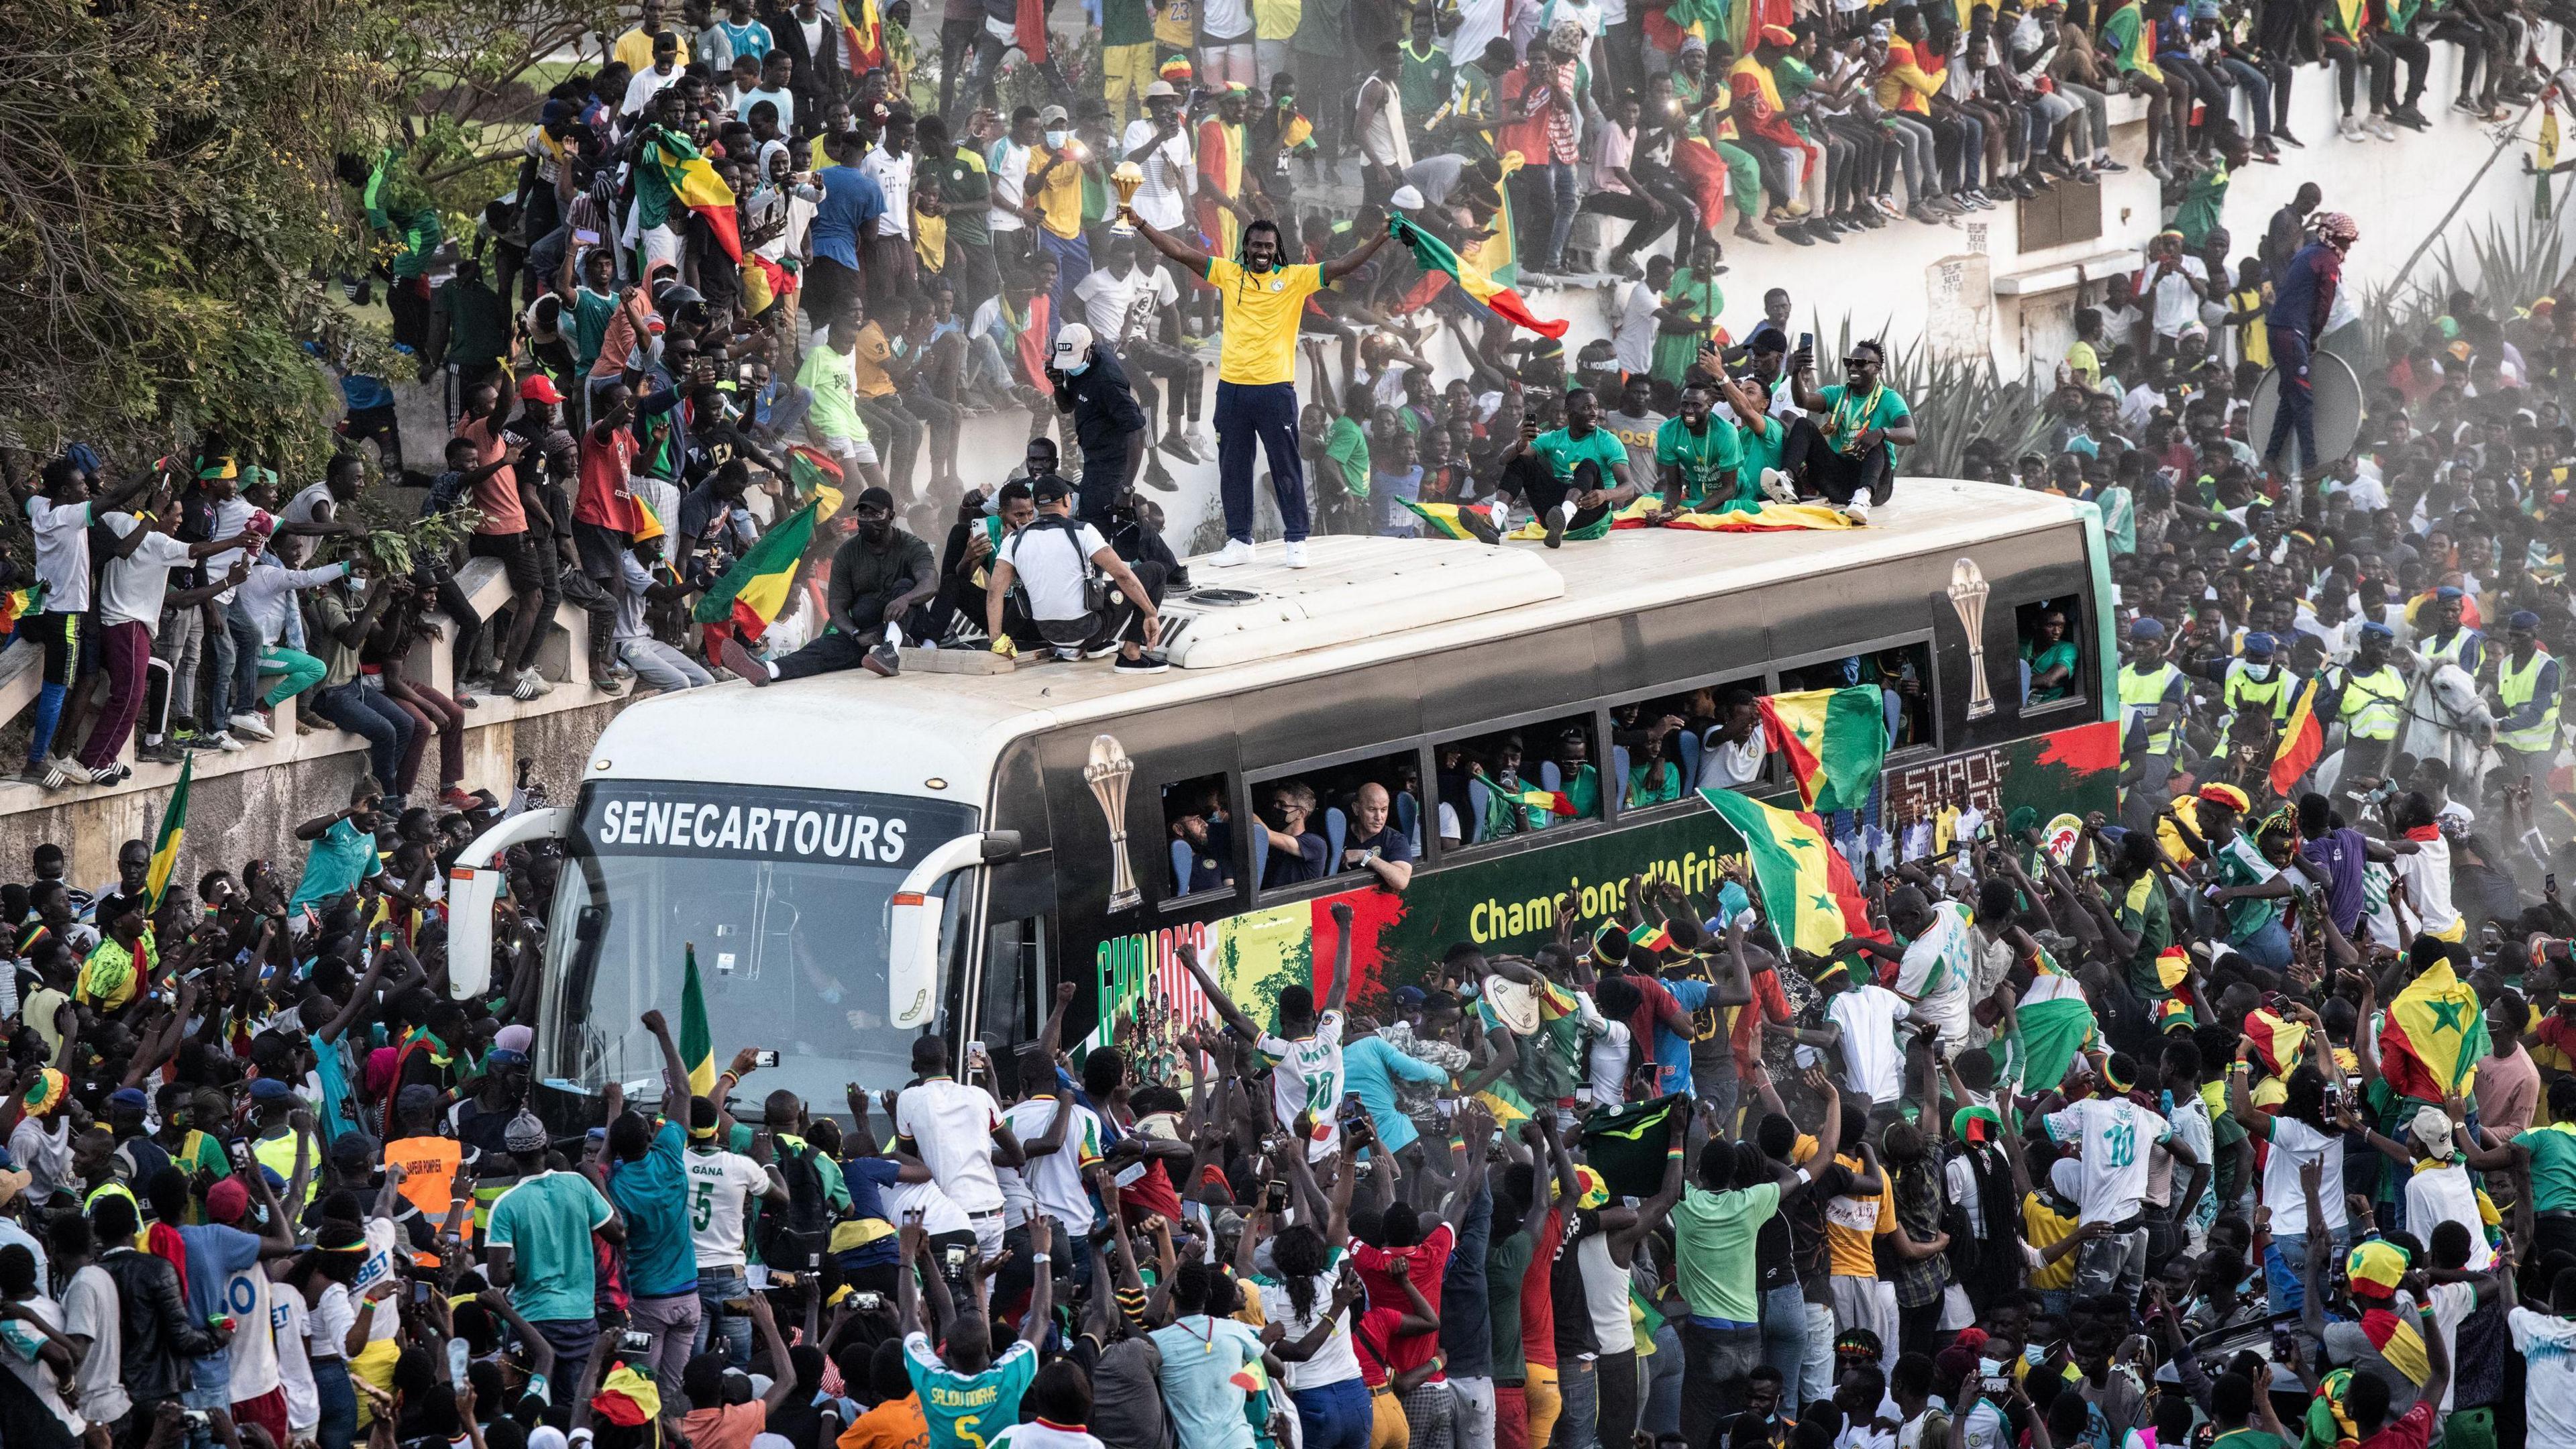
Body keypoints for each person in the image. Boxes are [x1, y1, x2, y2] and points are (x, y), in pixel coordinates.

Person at [1124, 203, 1391, 568]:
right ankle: (1239, 541)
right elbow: (1181, 252)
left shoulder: (1295, 278)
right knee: (1234, 466)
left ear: (1276, 249)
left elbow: (1344, 264)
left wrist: (1379, 237)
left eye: (1268, 246)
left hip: (1275, 389)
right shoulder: (1228, 273)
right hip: (1232, 389)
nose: (1262, 251)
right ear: (1245, 248)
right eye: (1256, 245)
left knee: (1285, 465)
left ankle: (1297, 539)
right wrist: (1140, 223)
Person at [725, 488, 935, 684]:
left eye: (876, 515)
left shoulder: (912, 546)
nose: (868, 521)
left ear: (891, 516)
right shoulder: (847, 552)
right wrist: (855, 634)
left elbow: (930, 583)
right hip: (868, 632)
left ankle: (891, 650)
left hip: (907, 627)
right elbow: (837, 606)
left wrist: (906, 599)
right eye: (864, 515)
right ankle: (769, 669)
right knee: (823, 648)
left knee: (906, 586)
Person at [981, 476, 1169, 672]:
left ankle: (1087, 648)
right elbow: (1123, 576)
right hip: (1088, 631)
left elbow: (995, 592)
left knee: (1086, 573)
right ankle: (1131, 654)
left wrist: (997, 640)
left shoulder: (1014, 539)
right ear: (1066, 500)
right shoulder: (1083, 531)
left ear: (1036, 506)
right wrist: (1150, 612)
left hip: (1047, 632)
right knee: (1154, 571)